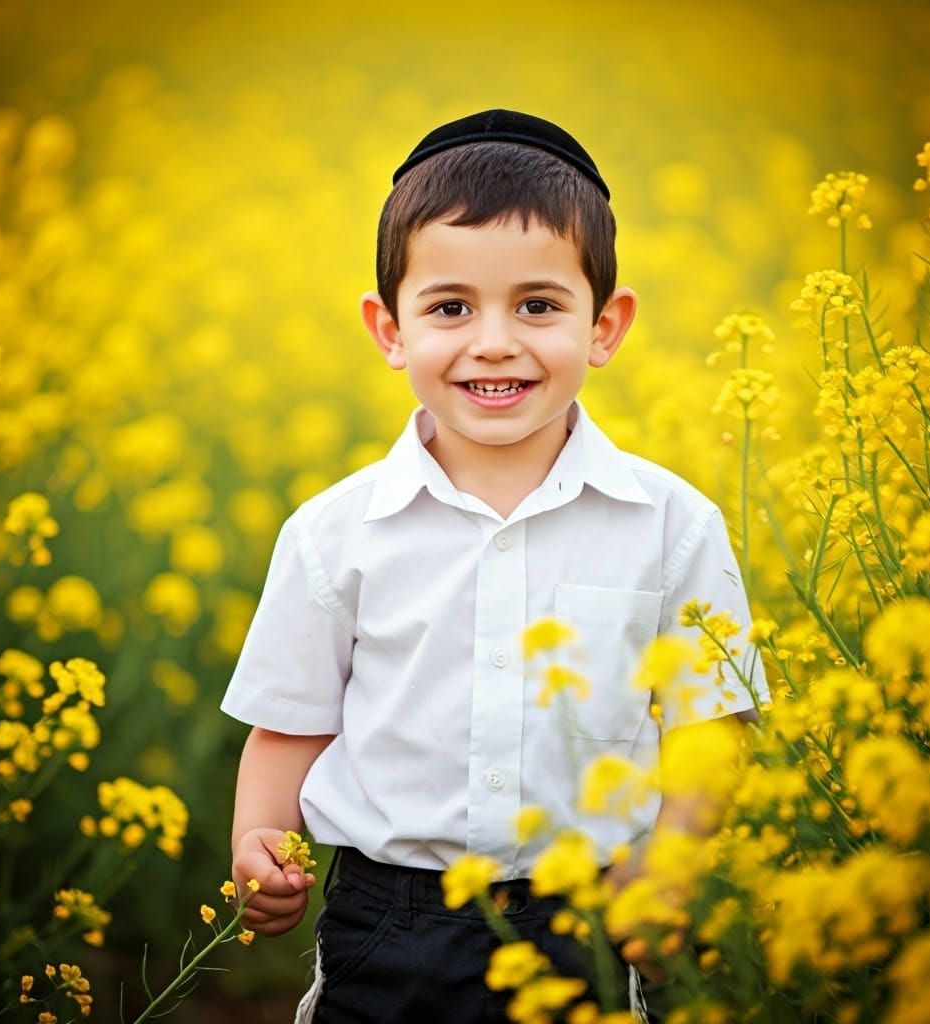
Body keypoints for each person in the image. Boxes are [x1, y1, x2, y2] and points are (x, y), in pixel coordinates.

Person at [223, 108, 770, 1024]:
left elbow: (711, 728)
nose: (494, 341)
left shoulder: (674, 525)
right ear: (389, 329)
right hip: (386, 917)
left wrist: (670, 865)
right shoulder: (334, 532)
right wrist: (257, 842)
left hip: (588, 913)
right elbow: (291, 726)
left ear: (606, 323)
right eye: (449, 308)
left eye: (539, 305)